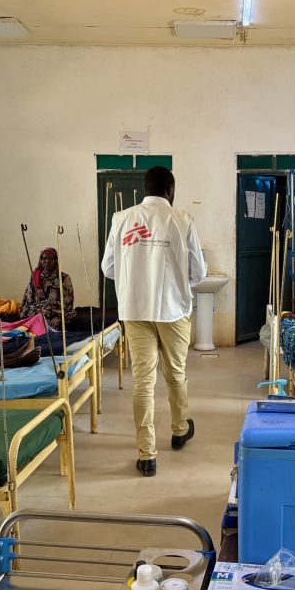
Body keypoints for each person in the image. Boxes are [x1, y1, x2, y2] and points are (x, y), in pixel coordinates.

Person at [102, 166, 206, 477]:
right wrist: (173, 279)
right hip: (172, 310)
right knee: (175, 373)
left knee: (143, 381)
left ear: (144, 189)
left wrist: (133, 274)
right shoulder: (182, 219)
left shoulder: (120, 219)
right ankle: (178, 429)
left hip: (134, 311)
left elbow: (108, 267)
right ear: (170, 191)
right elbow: (198, 272)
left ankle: (146, 454)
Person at [21, 247, 76, 331]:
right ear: (40, 260)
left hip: (56, 311)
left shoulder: (64, 278)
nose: (47, 261)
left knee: (48, 316)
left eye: (50, 258)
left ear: (55, 260)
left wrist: (49, 307)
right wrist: (39, 307)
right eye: (44, 258)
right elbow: (28, 298)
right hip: (37, 310)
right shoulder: (35, 276)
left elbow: (68, 302)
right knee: (36, 315)